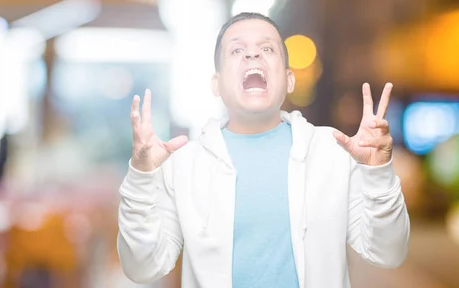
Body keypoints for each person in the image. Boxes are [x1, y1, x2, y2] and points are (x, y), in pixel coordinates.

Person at [116, 12, 410, 288]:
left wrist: (378, 173)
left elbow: (388, 253)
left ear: (289, 80)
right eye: (236, 50)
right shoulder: (184, 164)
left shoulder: (333, 152)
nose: (252, 54)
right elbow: (142, 267)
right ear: (216, 84)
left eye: (267, 49)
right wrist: (141, 179)